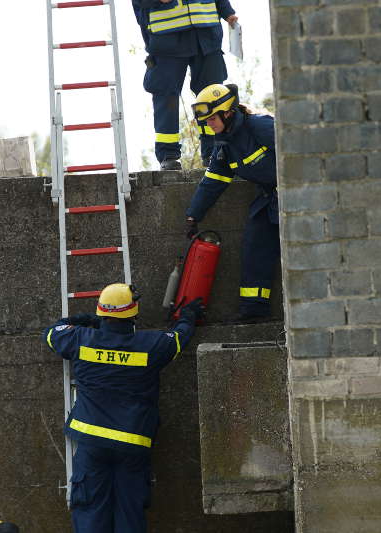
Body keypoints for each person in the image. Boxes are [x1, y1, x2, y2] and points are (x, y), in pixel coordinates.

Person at [42, 283, 204, 533]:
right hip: (133, 443)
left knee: (90, 511)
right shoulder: (151, 345)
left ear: (101, 312)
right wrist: (187, 317)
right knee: (130, 512)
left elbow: (52, 333)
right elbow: (179, 339)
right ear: (133, 313)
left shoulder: (80, 338)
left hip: (92, 442)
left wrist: (81, 319)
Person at [184, 83, 278, 321]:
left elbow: (300, 152)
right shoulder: (225, 145)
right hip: (270, 198)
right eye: (205, 121)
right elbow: (212, 182)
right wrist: (194, 215)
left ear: (227, 112)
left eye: (212, 119)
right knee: (254, 245)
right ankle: (254, 310)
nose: (209, 125)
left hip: (296, 195)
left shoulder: (260, 126)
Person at [131, 0, 238, 171]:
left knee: (213, 97)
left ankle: (215, 151)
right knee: (167, 98)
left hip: (206, 34)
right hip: (166, 39)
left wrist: (227, 11)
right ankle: (168, 155)